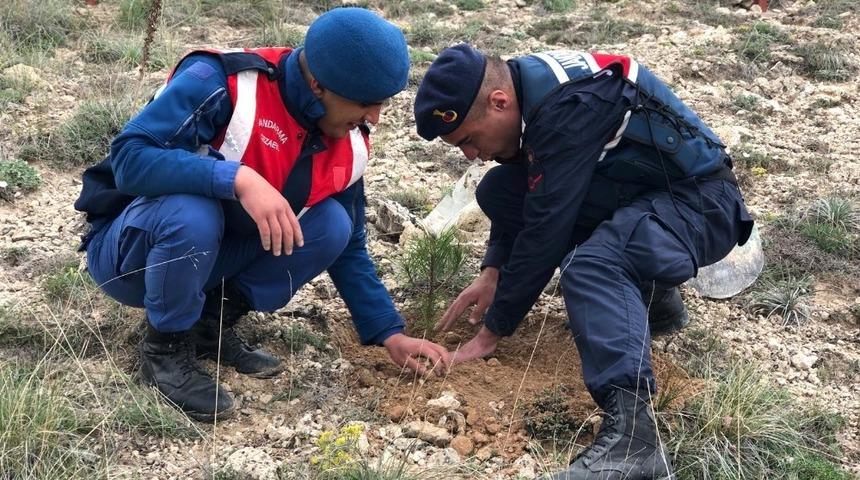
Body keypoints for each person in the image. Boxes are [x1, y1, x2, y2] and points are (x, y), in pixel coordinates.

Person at [73, 7, 450, 422]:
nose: (373, 118)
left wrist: (388, 331)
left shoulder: (348, 140)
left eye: (382, 104)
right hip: (130, 257)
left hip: (213, 256)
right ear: (318, 84)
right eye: (364, 103)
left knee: (332, 224)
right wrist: (236, 178)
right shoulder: (223, 81)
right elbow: (130, 159)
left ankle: (208, 326)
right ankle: (165, 349)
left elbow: (349, 247)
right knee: (192, 212)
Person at [413, 44, 754, 479]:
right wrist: (493, 270)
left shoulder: (570, 106)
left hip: (702, 204)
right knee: (498, 189)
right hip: (644, 192)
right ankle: (653, 302)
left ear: (499, 103)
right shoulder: (528, 90)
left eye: (467, 140)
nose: (470, 155)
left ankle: (635, 440)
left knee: (593, 265)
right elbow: (530, 187)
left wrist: (492, 331)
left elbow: (546, 228)